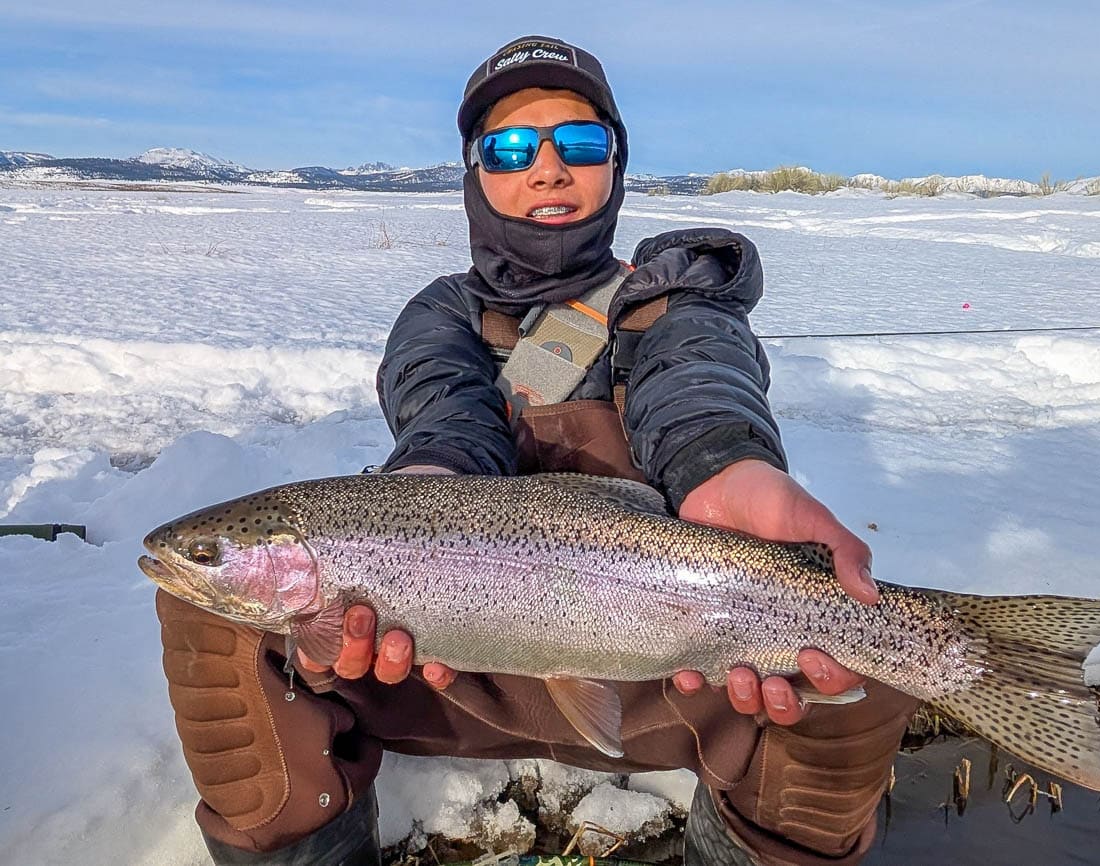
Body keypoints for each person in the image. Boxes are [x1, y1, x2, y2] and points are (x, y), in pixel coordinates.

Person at [155, 35, 917, 866]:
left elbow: (698, 388)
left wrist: (727, 466)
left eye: (579, 143)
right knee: (213, 610)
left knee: (863, 642)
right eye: (511, 147)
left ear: (615, 165)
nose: (547, 168)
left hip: (673, 666)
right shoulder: (442, 315)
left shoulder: (677, 301)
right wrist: (418, 492)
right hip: (459, 668)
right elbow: (446, 420)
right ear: (475, 173)